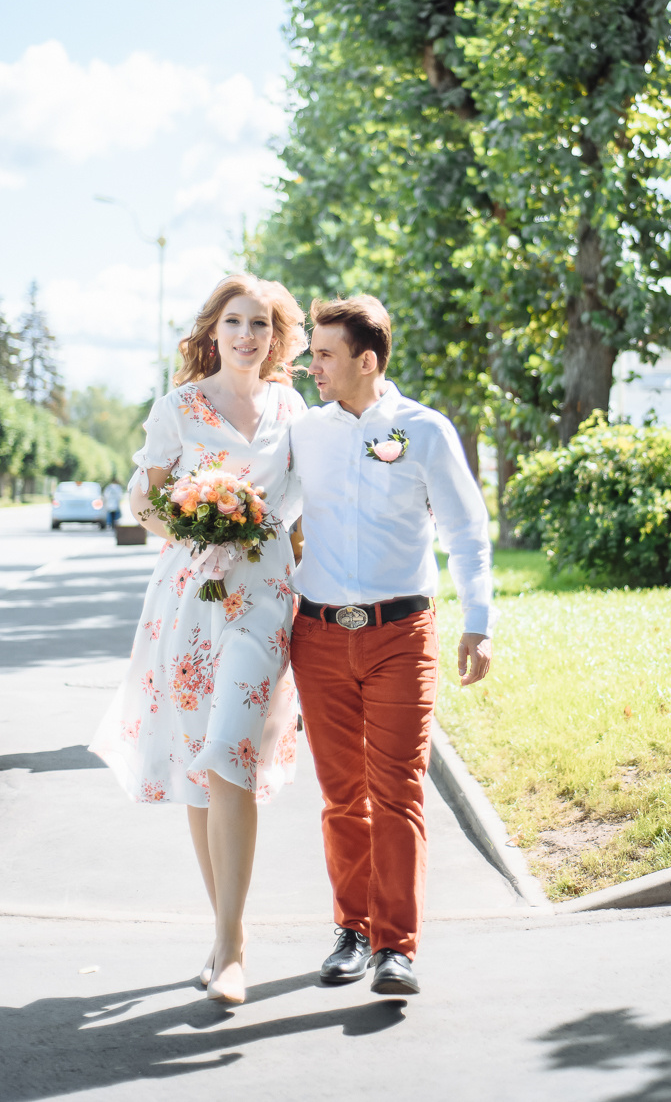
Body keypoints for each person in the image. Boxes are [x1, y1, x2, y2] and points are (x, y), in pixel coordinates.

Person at [90, 273, 307, 1005]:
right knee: (200, 764)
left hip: (264, 600)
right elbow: (142, 499)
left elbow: (310, 508)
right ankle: (225, 935)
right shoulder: (178, 407)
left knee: (230, 754)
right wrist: (193, 524)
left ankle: (233, 948)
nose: (248, 336)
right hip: (191, 599)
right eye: (235, 322)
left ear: (277, 339)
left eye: (261, 325)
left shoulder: (290, 406)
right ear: (213, 332)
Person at [290, 294, 493, 997]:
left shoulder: (422, 431)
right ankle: (351, 930)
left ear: (365, 360)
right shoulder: (303, 432)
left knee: (397, 788)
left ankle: (394, 947)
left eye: (322, 354)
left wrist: (480, 620)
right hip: (316, 636)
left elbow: (465, 531)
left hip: (400, 635)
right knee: (342, 794)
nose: (309, 365)